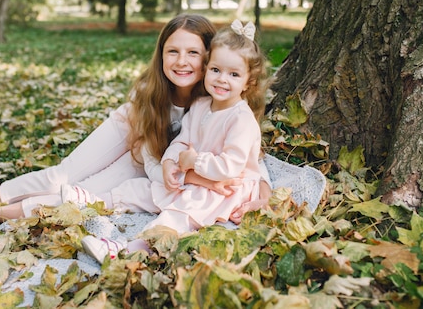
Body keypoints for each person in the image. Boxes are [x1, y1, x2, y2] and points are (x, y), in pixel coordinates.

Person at [0, 14, 265, 237]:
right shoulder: (149, 94)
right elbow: (149, 158)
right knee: (63, 175)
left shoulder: (218, 100)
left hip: (154, 169)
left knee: (89, 195)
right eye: (172, 51)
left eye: (193, 53)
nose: (181, 61)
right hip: (134, 142)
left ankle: (1, 215)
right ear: (161, 55)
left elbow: (247, 151)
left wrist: (261, 190)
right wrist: (190, 175)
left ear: (209, 60)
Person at [63, 20, 272, 263]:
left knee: (176, 216)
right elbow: (183, 139)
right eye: (216, 70)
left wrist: (196, 161)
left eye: (234, 74)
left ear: (249, 82)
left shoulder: (241, 119)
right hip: (200, 176)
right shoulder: (202, 105)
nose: (222, 80)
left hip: (227, 189)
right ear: (206, 68)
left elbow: (231, 167)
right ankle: (94, 200)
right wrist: (171, 161)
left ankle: (128, 250)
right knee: (143, 188)